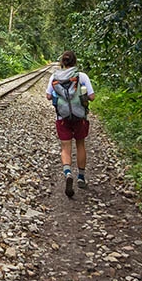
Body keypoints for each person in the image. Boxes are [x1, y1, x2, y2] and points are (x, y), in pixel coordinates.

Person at [45, 50, 96, 197]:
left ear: (62, 62)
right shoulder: (82, 76)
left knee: (65, 147)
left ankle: (67, 173)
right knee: (80, 144)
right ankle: (81, 177)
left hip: (62, 117)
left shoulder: (54, 76)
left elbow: (48, 96)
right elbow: (91, 97)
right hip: (80, 117)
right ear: (75, 62)